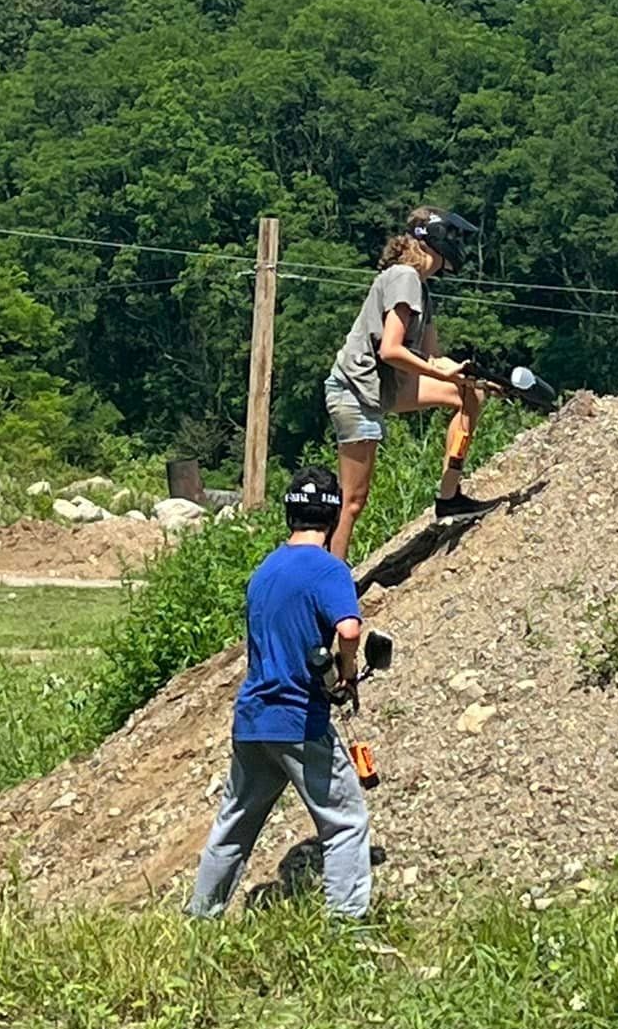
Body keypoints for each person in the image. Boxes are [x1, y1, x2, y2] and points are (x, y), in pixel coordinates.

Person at [188, 466, 371, 922]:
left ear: (291, 513)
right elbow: (349, 629)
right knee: (345, 822)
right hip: (298, 717)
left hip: (253, 719)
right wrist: (347, 671)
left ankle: (200, 918)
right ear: (332, 517)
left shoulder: (265, 571)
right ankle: (347, 926)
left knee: (234, 826)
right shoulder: (329, 569)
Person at [323, 204, 497, 564]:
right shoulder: (404, 278)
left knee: (470, 395)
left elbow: (433, 357)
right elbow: (391, 350)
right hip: (356, 392)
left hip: (383, 387)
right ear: (437, 238)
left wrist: (475, 376)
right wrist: (443, 374)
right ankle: (330, 580)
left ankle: (449, 497)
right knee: (352, 500)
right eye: (454, 237)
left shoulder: (421, 288)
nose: (459, 246)